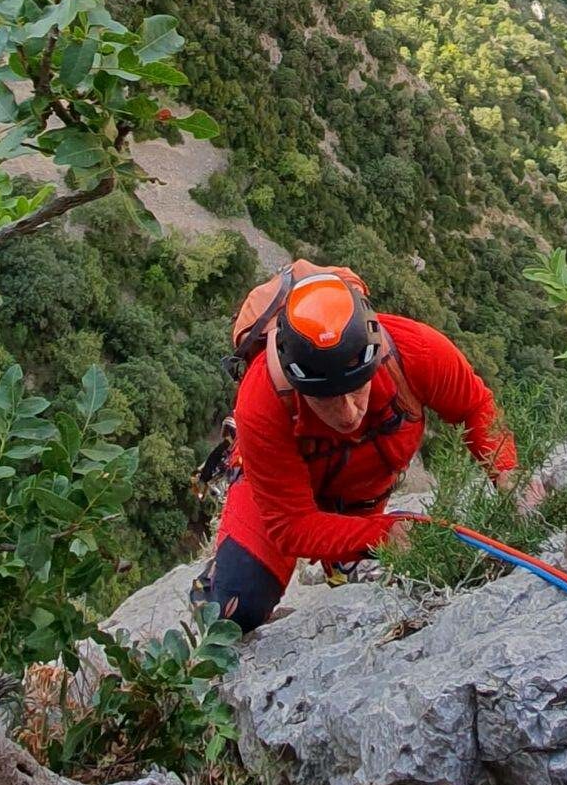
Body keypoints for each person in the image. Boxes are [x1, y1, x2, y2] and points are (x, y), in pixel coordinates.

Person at [192, 266, 530, 633]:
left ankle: (345, 554)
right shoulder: (262, 400)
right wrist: (381, 535)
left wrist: (507, 471)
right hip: (278, 493)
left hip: (361, 495)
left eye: (358, 389)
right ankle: (216, 582)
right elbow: (290, 526)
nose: (349, 412)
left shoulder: (415, 349)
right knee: (233, 611)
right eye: (328, 401)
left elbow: (474, 406)